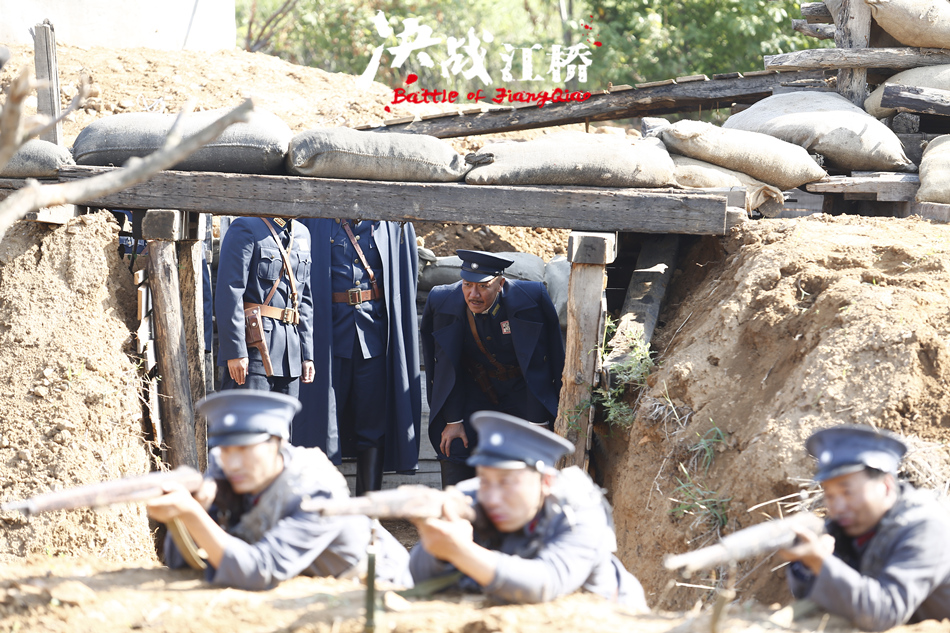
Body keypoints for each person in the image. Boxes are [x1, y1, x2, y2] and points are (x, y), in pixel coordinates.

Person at [146, 390, 411, 591]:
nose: (234, 462)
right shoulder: (226, 472)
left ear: (278, 443)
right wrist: (196, 508)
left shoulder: (315, 492)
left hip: (379, 588)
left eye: (246, 449)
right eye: (226, 450)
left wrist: (192, 514)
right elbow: (180, 563)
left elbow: (260, 571)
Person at [408, 411, 647, 609]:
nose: (492, 497)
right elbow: (418, 576)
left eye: (507, 482)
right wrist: (436, 546)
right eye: (485, 480)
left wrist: (460, 550)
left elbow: (547, 581)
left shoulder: (578, 509)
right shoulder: (472, 497)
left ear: (545, 482)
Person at [293, 218, 421, 495]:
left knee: (372, 424)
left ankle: (367, 510)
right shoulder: (315, 220)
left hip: (372, 334)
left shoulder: (391, 223)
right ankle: (320, 507)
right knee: (320, 422)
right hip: (326, 335)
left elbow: (404, 278)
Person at [780, 424, 950, 631]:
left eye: (848, 492)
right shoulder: (844, 527)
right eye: (830, 495)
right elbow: (811, 598)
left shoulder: (926, 529)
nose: (838, 507)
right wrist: (805, 566)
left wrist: (821, 562)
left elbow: (885, 613)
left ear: (886, 485)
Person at [421, 250, 565, 487]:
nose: (473, 294)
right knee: (453, 446)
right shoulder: (442, 300)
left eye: (483, 286)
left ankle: (516, 517)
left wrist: (538, 421)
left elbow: (544, 362)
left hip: (521, 394)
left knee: (529, 459)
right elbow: (443, 366)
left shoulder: (531, 298)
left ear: (501, 284)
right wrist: (453, 419)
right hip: (472, 393)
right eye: (467, 285)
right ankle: (460, 516)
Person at [215, 217, 314, 397]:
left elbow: (304, 299)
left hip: (290, 355)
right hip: (254, 350)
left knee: (283, 424)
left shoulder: (302, 232)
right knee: (248, 423)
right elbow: (230, 292)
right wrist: (235, 351)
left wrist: (306, 354)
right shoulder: (246, 227)